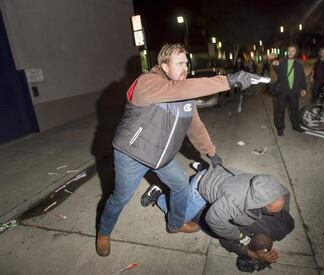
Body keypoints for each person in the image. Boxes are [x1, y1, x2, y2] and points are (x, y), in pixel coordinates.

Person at [96, 43, 257, 257]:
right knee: (120, 197)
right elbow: (178, 89)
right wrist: (227, 80)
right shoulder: (147, 83)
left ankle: (175, 224)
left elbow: (196, 127)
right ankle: (103, 231)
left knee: (180, 187)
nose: (185, 68)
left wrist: (211, 152)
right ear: (163, 66)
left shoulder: (184, 96)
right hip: (132, 154)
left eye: (186, 63)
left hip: (162, 155)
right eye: (179, 63)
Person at [142, 163, 294, 265]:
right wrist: (250, 250)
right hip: (201, 191)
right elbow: (219, 230)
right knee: (178, 225)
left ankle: (204, 170)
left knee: (199, 222)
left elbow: (284, 196)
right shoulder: (236, 209)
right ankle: (158, 195)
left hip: (224, 175)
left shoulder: (282, 226)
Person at [270, 45, 307, 136]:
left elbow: (302, 77)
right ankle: (280, 128)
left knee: (295, 110)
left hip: (294, 91)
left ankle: (296, 126)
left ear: (296, 52)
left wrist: (304, 88)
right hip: (283, 91)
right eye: (289, 51)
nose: (290, 53)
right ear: (287, 52)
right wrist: (275, 64)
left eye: (293, 51)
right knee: (280, 110)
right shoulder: (282, 62)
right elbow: (278, 70)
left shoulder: (299, 63)